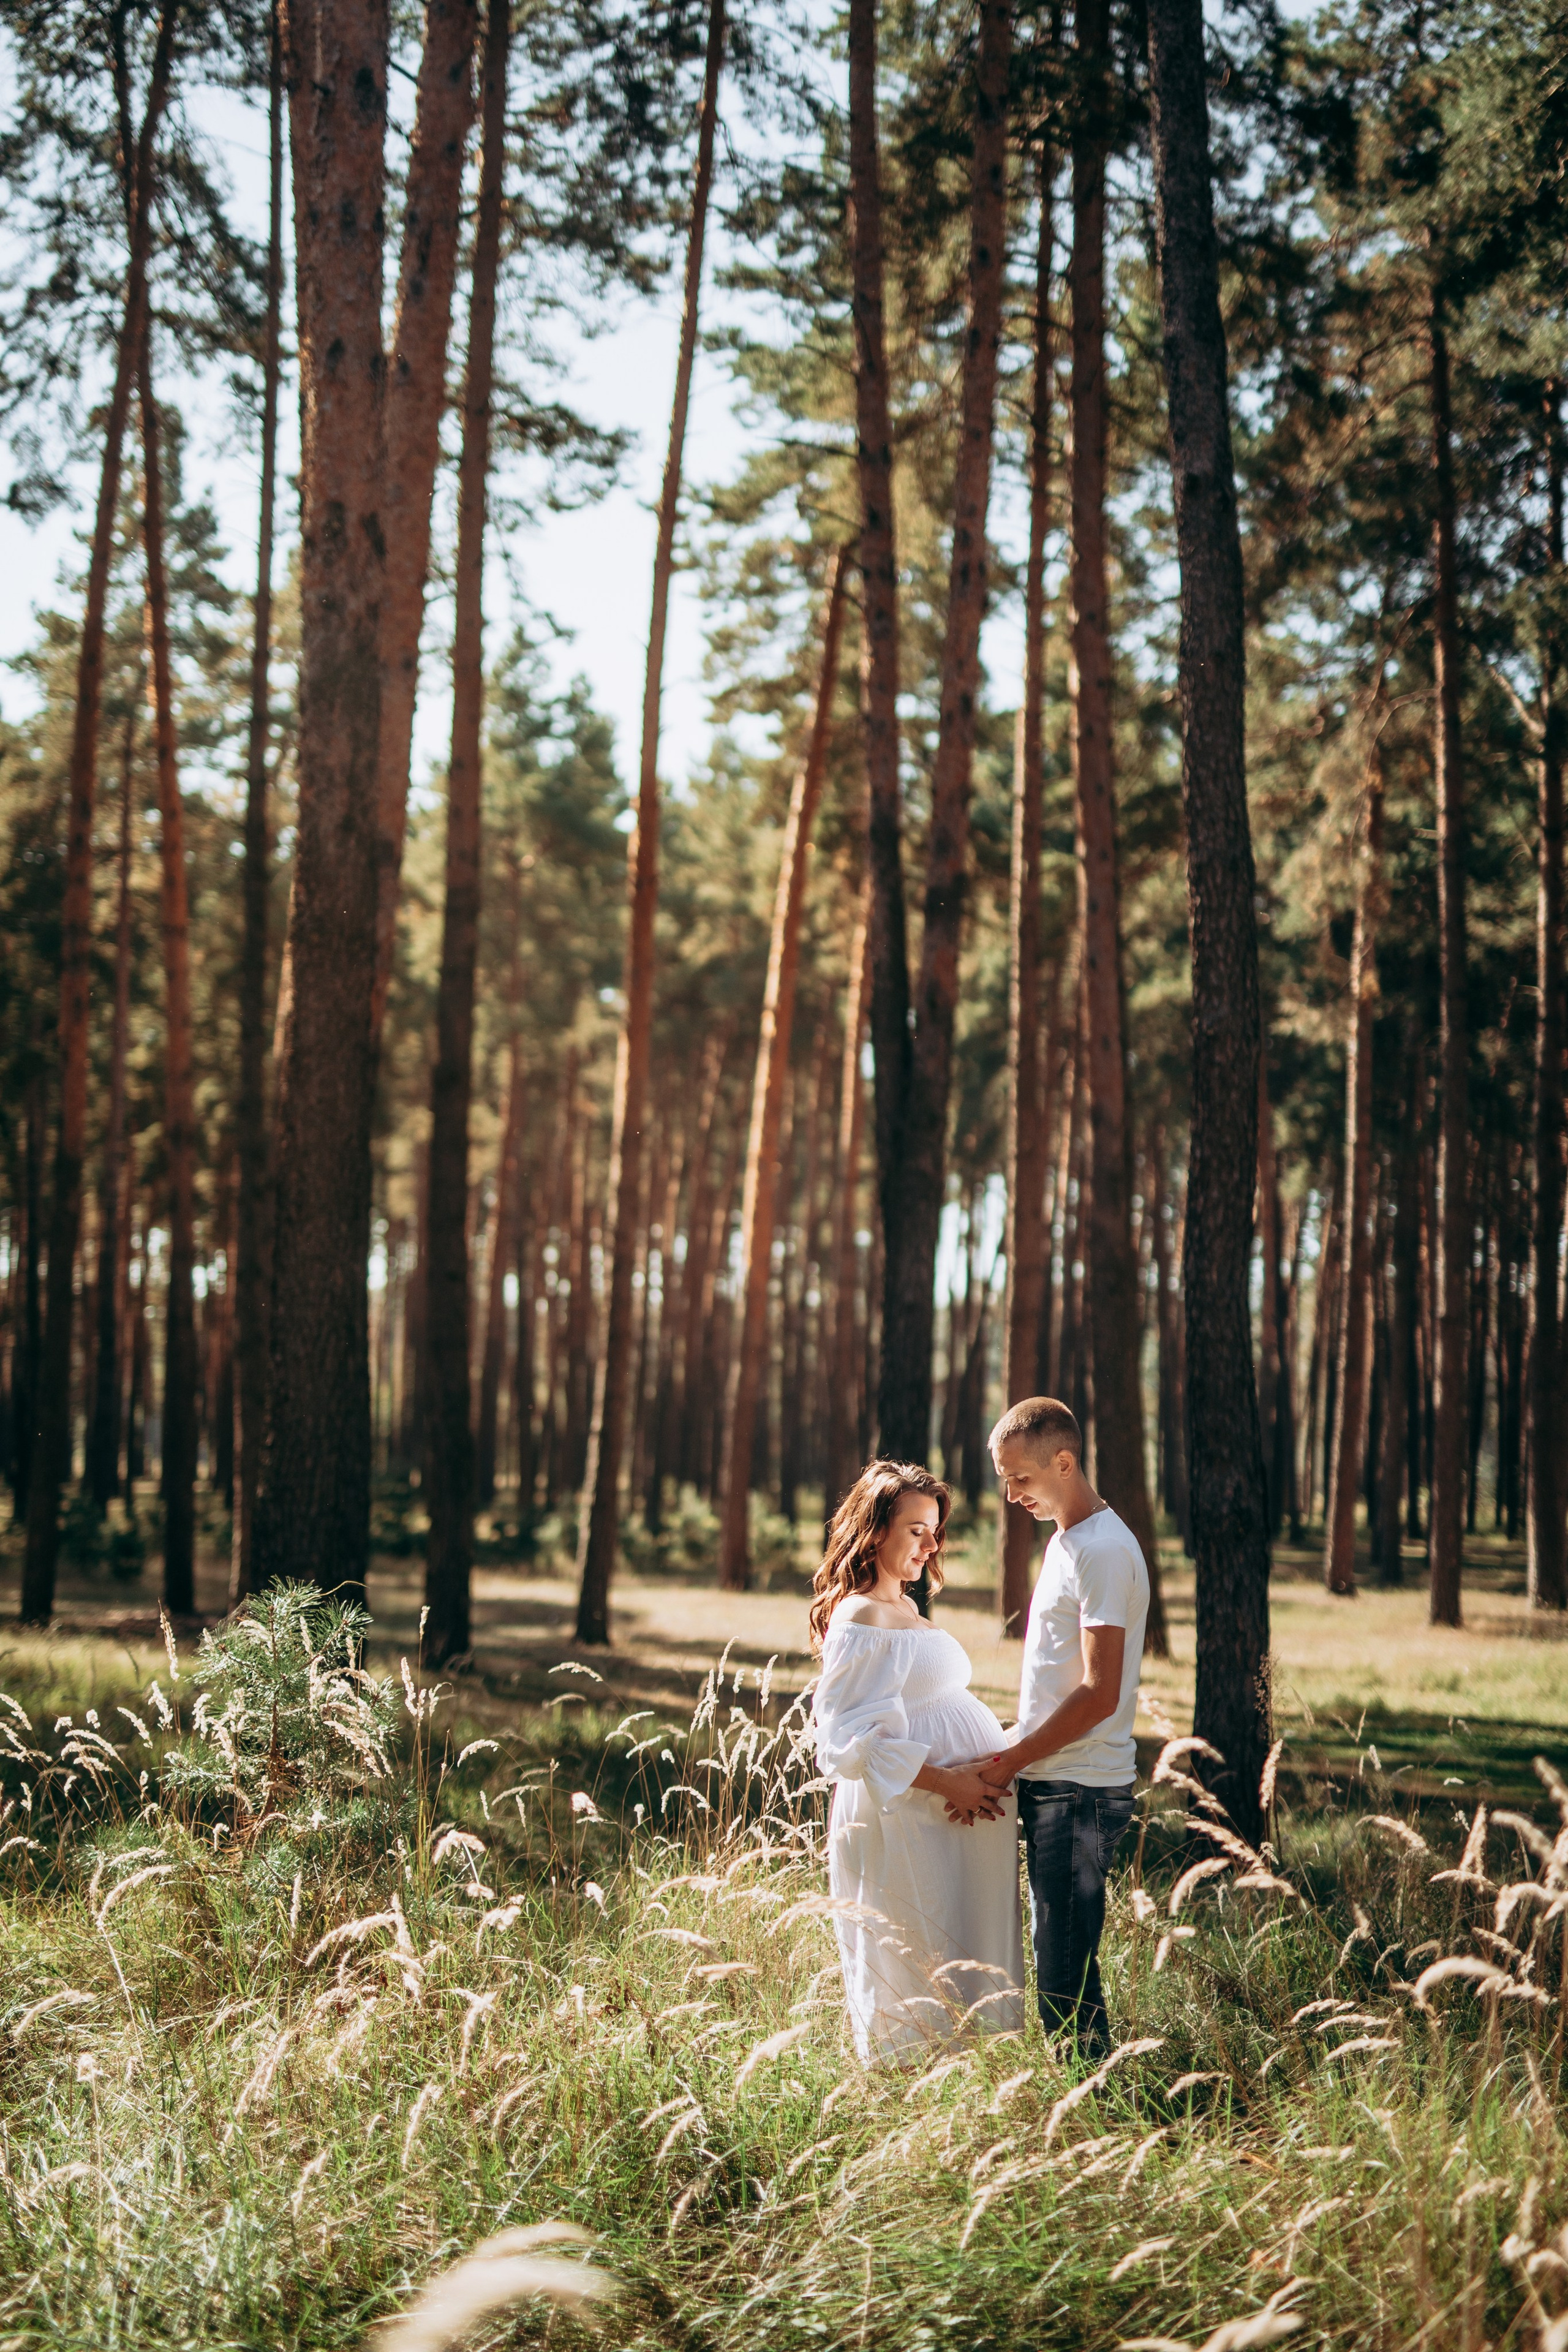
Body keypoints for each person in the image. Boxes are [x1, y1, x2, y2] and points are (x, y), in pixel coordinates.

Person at [809, 1460, 1025, 2064]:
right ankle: (909, 2094)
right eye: (916, 1530)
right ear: (876, 1530)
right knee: (914, 1969)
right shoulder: (860, 1616)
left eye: (935, 1531)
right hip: (909, 1819)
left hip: (948, 1821)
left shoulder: (902, 1605)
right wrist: (949, 1782)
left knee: (959, 1968)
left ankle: (971, 2089)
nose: (931, 1546)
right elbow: (843, 1739)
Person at [975, 1397, 1148, 2058]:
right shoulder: (1067, 1542)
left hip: (1080, 1788)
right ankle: (1091, 2097)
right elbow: (1059, 1678)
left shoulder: (1102, 1550)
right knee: (1061, 1963)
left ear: (1065, 1463)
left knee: (1062, 1976)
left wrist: (1012, 1758)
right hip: (1056, 1779)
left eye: (1020, 1478)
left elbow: (1099, 1694)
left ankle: (1095, 2103)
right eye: (1005, 1480)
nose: (1012, 1495)